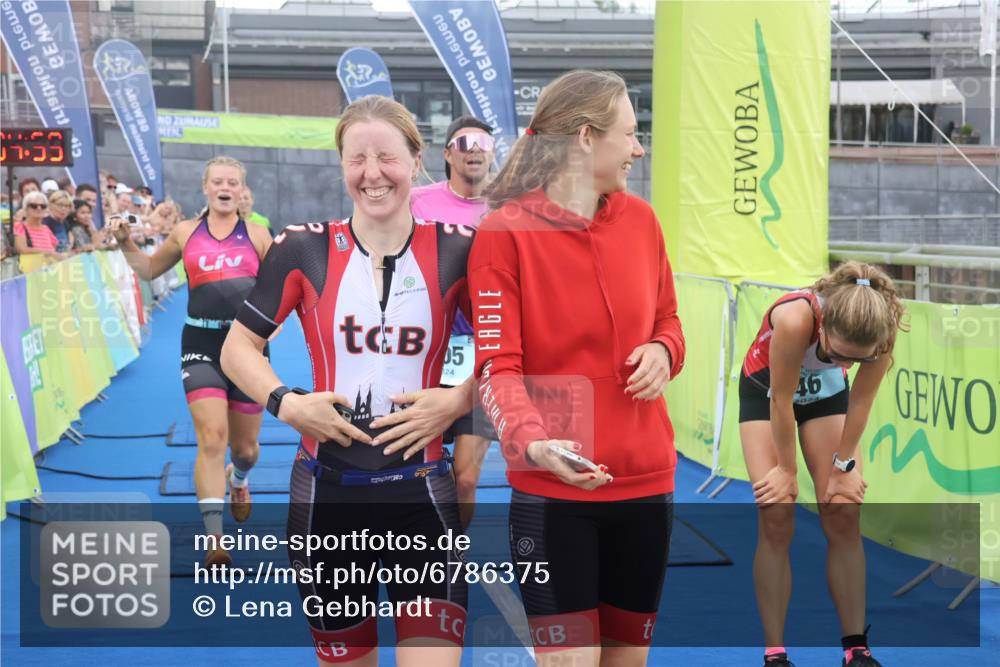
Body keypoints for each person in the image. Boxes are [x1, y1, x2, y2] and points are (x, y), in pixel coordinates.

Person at [221, 95, 476, 667]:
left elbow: (511, 353)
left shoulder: (459, 249)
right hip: (326, 497)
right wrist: (288, 404)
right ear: (341, 165)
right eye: (356, 158)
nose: (372, 173)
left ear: (416, 161)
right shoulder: (303, 248)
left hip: (422, 496)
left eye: (386, 157)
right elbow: (237, 347)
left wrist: (459, 399)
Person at [468, 70, 685, 667]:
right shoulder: (503, 233)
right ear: (587, 137)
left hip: (648, 485)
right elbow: (497, 367)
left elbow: (669, 320)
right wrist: (535, 445)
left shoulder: (643, 221)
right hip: (553, 493)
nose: (639, 149)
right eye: (630, 134)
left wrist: (664, 351)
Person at [738, 261, 906, 667]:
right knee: (777, 512)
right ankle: (775, 654)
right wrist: (787, 471)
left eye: (855, 361)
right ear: (825, 326)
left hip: (827, 397)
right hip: (767, 392)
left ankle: (856, 649)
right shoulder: (795, 318)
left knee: (844, 512)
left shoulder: (882, 328)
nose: (844, 364)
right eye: (836, 354)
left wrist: (843, 465)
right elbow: (781, 401)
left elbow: (861, 400)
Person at [108, 156, 273, 568]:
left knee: (246, 449)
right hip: (200, 341)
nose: (224, 187)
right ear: (205, 187)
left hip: (247, 346)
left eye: (232, 182)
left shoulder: (258, 235)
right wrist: (125, 242)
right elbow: (149, 270)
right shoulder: (185, 232)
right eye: (217, 181)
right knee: (212, 438)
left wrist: (276, 324)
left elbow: (280, 288)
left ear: (241, 190)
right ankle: (215, 539)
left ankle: (239, 479)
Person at [411, 116, 497, 528]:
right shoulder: (416, 201)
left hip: (482, 357)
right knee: (414, 472)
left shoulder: (510, 207)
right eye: (464, 142)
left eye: (483, 142)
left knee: (464, 479)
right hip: (424, 354)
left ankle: (451, 553)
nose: (474, 149)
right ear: (448, 153)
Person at [13, 191, 65, 272]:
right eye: (34, 206)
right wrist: (47, 252)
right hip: (29, 273)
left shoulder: (46, 229)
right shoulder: (19, 226)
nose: (39, 208)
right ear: (25, 209)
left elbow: (55, 249)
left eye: (43, 206)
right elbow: (22, 249)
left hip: (49, 272)